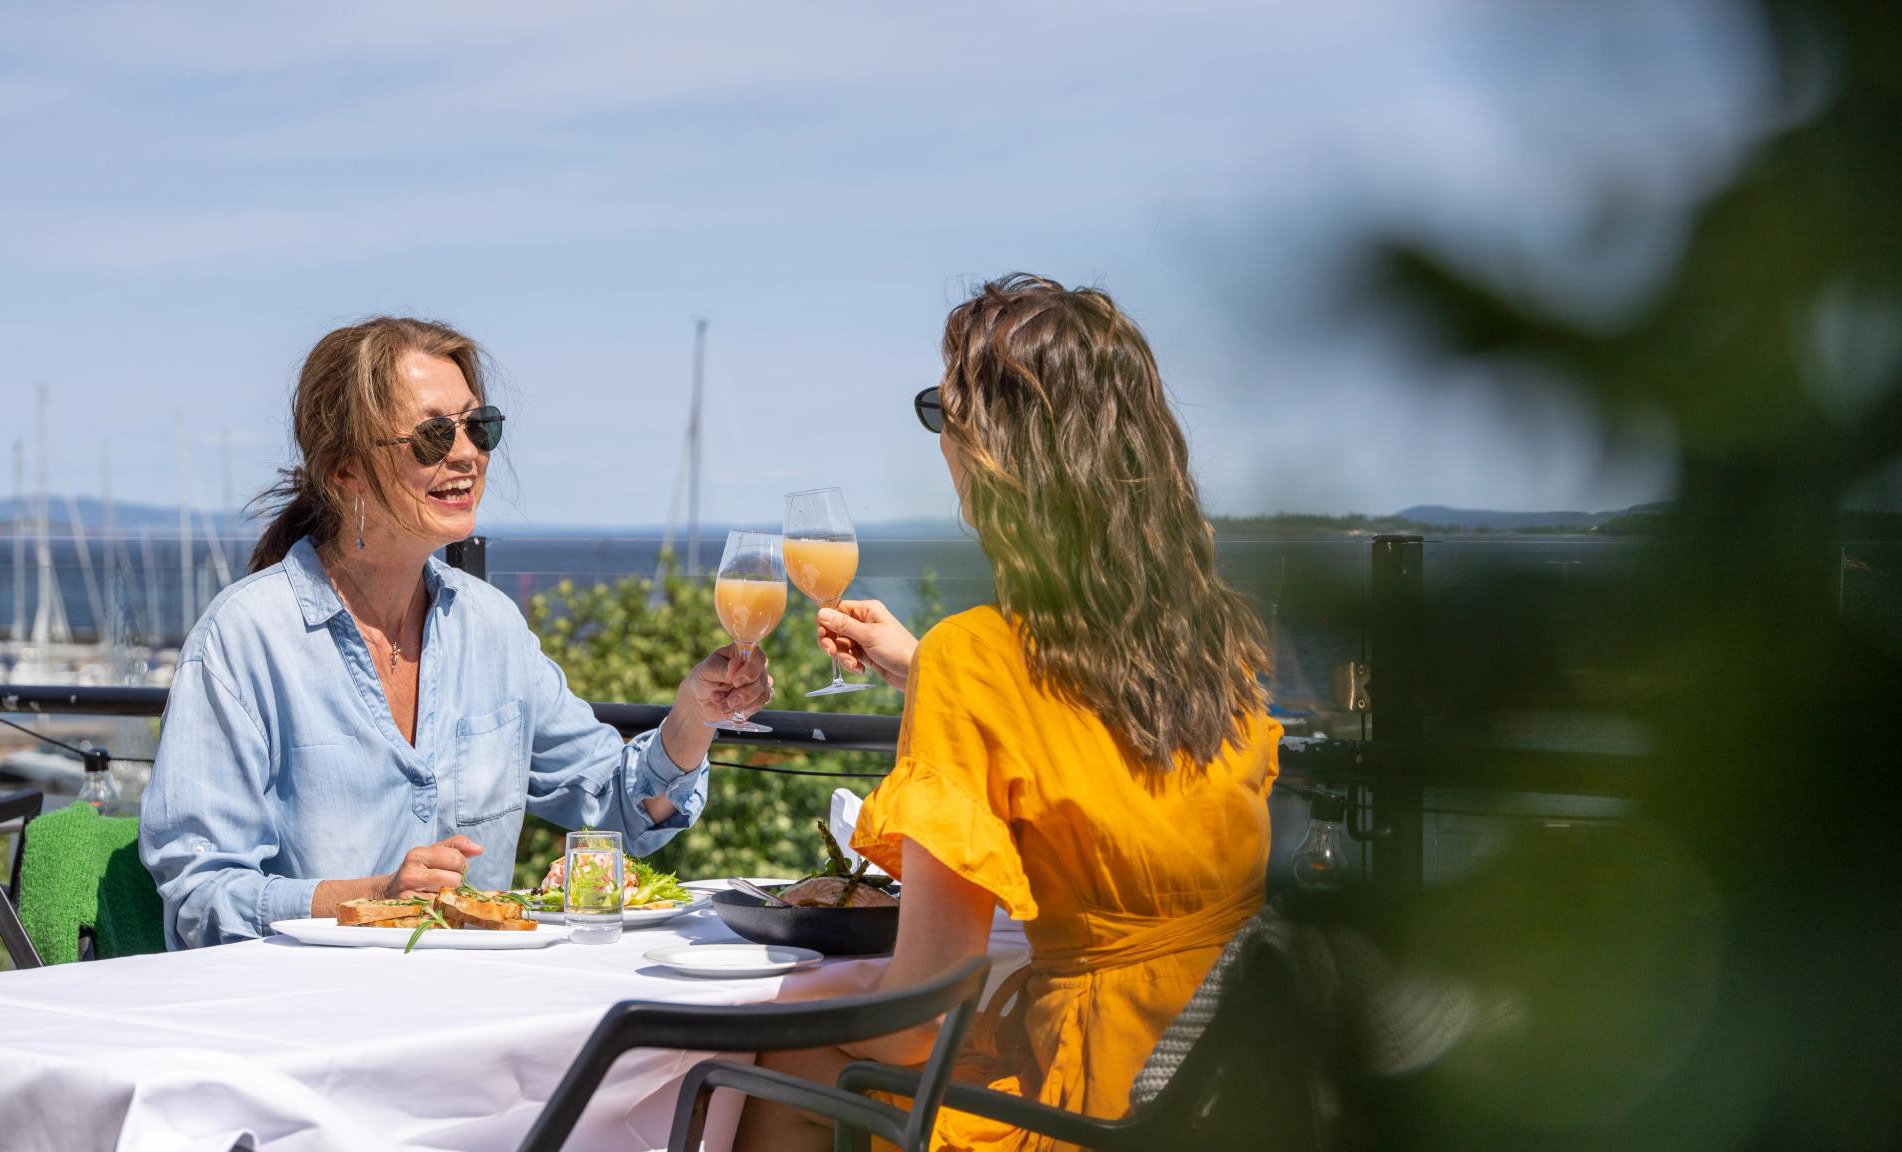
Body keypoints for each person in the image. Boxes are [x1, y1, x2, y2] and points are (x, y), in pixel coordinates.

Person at [736, 276, 1281, 1150]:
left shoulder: (979, 655)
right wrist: (928, 676)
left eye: (941, 413)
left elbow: (920, 1016)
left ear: (992, 451)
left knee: (782, 1062)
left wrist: (813, 1006)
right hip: (1229, 1080)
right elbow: (1099, 743)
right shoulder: (1215, 645)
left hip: (1096, 1104)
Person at [139, 317, 771, 949]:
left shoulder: (491, 627)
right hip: (305, 1018)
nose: (467, 453)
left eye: (478, 425)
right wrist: (374, 899)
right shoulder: (245, 637)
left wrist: (693, 719)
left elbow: (616, 808)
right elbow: (201, 898)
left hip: (477, 1003)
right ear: (344, 471)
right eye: (433, 435)